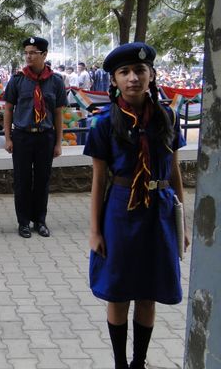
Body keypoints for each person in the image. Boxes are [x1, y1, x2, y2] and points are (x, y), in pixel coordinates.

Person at [84, 42, 188, 369]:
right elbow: (98, 181)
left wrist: (182, 223)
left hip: (159, 211)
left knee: (148, 291)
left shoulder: (167, 117)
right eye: (125, 72)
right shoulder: (104, 123)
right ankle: (120, 363)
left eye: (140, 70)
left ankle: (138, 362)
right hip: (120, 210)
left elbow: (174, 171)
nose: (133, 78)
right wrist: (95, 231)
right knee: (118, 291)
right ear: (114, 80)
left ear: (151, 75)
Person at [4, 36, 67, 238]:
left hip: (45, 137)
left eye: (33, 53)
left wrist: (58, 143)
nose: (28, 56)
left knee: (42, 180)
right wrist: (8, 138)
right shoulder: (18, 80)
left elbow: (58, 113)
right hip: (22, 136)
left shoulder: (56, 81)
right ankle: (23, 222)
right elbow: (8, 109)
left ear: (44, 55)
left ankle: (40, 220)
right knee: (22, 181)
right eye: (26, 53)